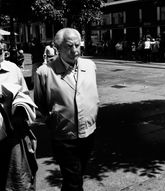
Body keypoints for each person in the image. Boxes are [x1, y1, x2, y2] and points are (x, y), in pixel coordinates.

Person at [34, 28, 99, 191]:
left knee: (76, 175)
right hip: (63, 136)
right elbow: (39, 105)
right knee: (74, 181)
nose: (75, 50)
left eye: (77, 45)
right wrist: (53, 120)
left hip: (88, 132)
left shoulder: (90, 66)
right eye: (69, 46)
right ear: (57, 48)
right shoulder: (44, 72)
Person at [0, 37, 38, 191]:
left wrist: (19, 107)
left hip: (13, 138)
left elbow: (25, 95)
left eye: (0, 50)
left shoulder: (12, 69)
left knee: (19, 182)